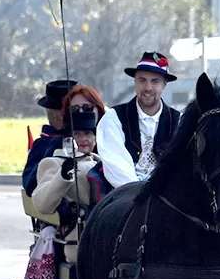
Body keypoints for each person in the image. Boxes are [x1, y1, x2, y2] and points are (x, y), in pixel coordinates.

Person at [96, 51, 181, 188]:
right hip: (125, 196)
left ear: (164, 85)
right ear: (135, 82)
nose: (148, 88)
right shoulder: (114, 118)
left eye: (155, 81)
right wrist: (140, 193)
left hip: (168, 196)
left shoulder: (179, 121)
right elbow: (116, 165)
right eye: (142, 80)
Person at [31, 109, 100, 262]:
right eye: (77, 134)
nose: (84, 139)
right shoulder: (53, 163)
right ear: (67, 139)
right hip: (79, 243)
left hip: (109, 235)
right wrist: (63, 176)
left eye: (88, 133)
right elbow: (42, 204)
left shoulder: (104, 163)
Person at [22, 79, 78, 196]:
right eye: (76, 110)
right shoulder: (44, 144)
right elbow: (30, 185)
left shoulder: (93, 139)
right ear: (60, 115)